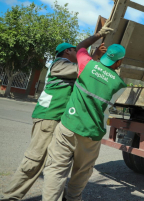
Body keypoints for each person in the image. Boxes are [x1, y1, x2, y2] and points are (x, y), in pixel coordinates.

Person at [0, 41, 106, 201]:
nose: (77, 55)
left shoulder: (67, 65)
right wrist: (94, 53)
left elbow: (84, 66)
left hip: (59, 119)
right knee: (35, 160)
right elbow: (83, 68)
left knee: (57, 162)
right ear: (67, 52)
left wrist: (95, 51)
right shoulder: (59, 64)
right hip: (48, 118)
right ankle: (10, 197)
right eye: (74, 51)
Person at [41, 30, 127, 201]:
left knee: (56, 170)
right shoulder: (120, 85)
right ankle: (73, 198)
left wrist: (97, 37)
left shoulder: (86, 64)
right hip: (91, 135)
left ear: (106, 55)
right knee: (81, 172)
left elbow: (80, 47)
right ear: (119, 62)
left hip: (68, 126)